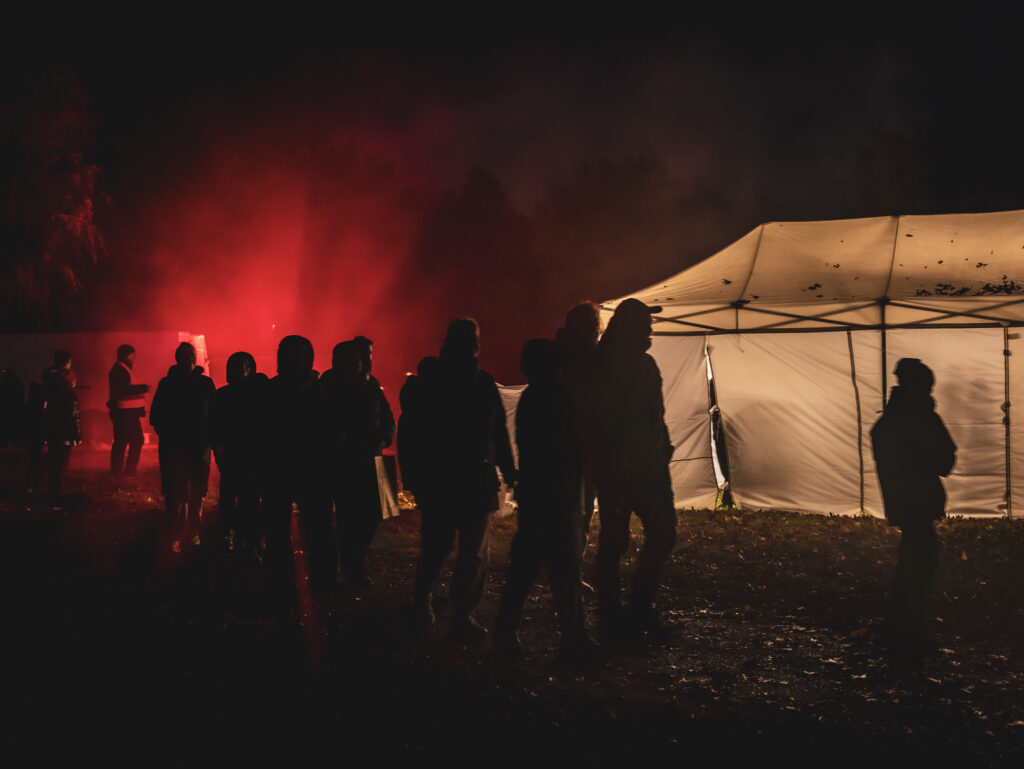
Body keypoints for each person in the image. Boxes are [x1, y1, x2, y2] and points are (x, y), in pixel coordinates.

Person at [402, 319, 517, 642]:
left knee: (468, 552)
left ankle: (454, 611)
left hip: (470, 481)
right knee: (444, 549)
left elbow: (496, 434)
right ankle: (432, 605)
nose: (472, 347)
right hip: (447, 481)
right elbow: (415, 435)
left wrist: (508, 472)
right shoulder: (435, 383)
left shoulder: (481, 383)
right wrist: (416, 480)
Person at [494, 339, 594, 660]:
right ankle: (572, 637)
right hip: (553, 495)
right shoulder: (552, 398)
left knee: (529, 569)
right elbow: (565, 448)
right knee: (559, 568)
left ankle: (513, 633)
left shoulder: (536, 396)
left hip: (541, 494)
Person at [592, 298, 677, 641]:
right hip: (620, 470)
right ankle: (614, 616)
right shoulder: (608, 367)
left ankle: (638, 609)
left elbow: (656, 411)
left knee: (663, 532)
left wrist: (663, 442)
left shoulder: (646, 364)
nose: (649, 329)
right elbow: (604, 420)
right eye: (644, 323)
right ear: (628, 327)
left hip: (650, 467)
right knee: (615, 541)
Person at [871, 357, 956, 652]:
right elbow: (945, 458)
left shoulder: (895, 419)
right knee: (918, 563)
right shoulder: (917, 417)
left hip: (908, 502)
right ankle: (908, 630)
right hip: (917, 501)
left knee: (914, 561)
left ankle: (903, 626)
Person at [261, 335, 334, 597]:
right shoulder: (277, 389)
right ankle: (286, 579)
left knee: (314, 527)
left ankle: (317, 579)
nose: (289, 359)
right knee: (285, 528)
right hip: (286, 468)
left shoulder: (319, 390)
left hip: (307, 469)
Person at [321, 340, 394, 588]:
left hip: (374, 456)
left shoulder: (371, 383)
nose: (362, 363)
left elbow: (386, 415)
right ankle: (354, 567)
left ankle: (355, 561)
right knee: (349, 516)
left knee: (376, 513)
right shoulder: (331, 385)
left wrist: (386, 434)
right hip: (348, 461)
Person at [150, 342, 216, 552]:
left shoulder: (170, 384)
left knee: (188, 493)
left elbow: (156, 417)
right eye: (188, 356)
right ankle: (183, 534)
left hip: (183, 447)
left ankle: (184, 534)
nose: (189, 359)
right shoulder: (202, 384)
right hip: (187, 447)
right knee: (183, 493)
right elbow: (157, 417)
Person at [209, 351, 269, 560]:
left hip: (249, 458)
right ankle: (234, 537)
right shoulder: (224, 395)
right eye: (234, 366)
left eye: (241, 366)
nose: (237, 370)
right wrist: (218, 450)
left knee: (246, 500)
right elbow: (214, 426)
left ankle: (246, 541)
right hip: (234, 457)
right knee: (232, 500)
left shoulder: (256, 394)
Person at [555, 301, 602, 568]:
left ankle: (567, 568)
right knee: (579, 510)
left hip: (567, 445)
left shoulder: (559, 356)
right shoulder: (591, 359)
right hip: (580, 446)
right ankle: (569, 569)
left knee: (572, 510)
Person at [41, 350, 81, 496]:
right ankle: (57, 490)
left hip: (52, 428)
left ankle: (53, 487)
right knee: (62, 460)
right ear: (67, 362)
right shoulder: (67, 388)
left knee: (53, 458)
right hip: (65, 429)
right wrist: (77, 433)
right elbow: (73, 414)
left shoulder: (50, 383)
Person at [107, 344, 149, 479]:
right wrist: (143, 388)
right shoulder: (120, 370)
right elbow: (123, 390)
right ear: (126, 356)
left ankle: (121, 471)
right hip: (125, 413)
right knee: (131, 441)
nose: (134, 358)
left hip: (126, 412)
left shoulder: (122, 369)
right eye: (132, 355)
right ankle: (125, 471)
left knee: (125, 441)